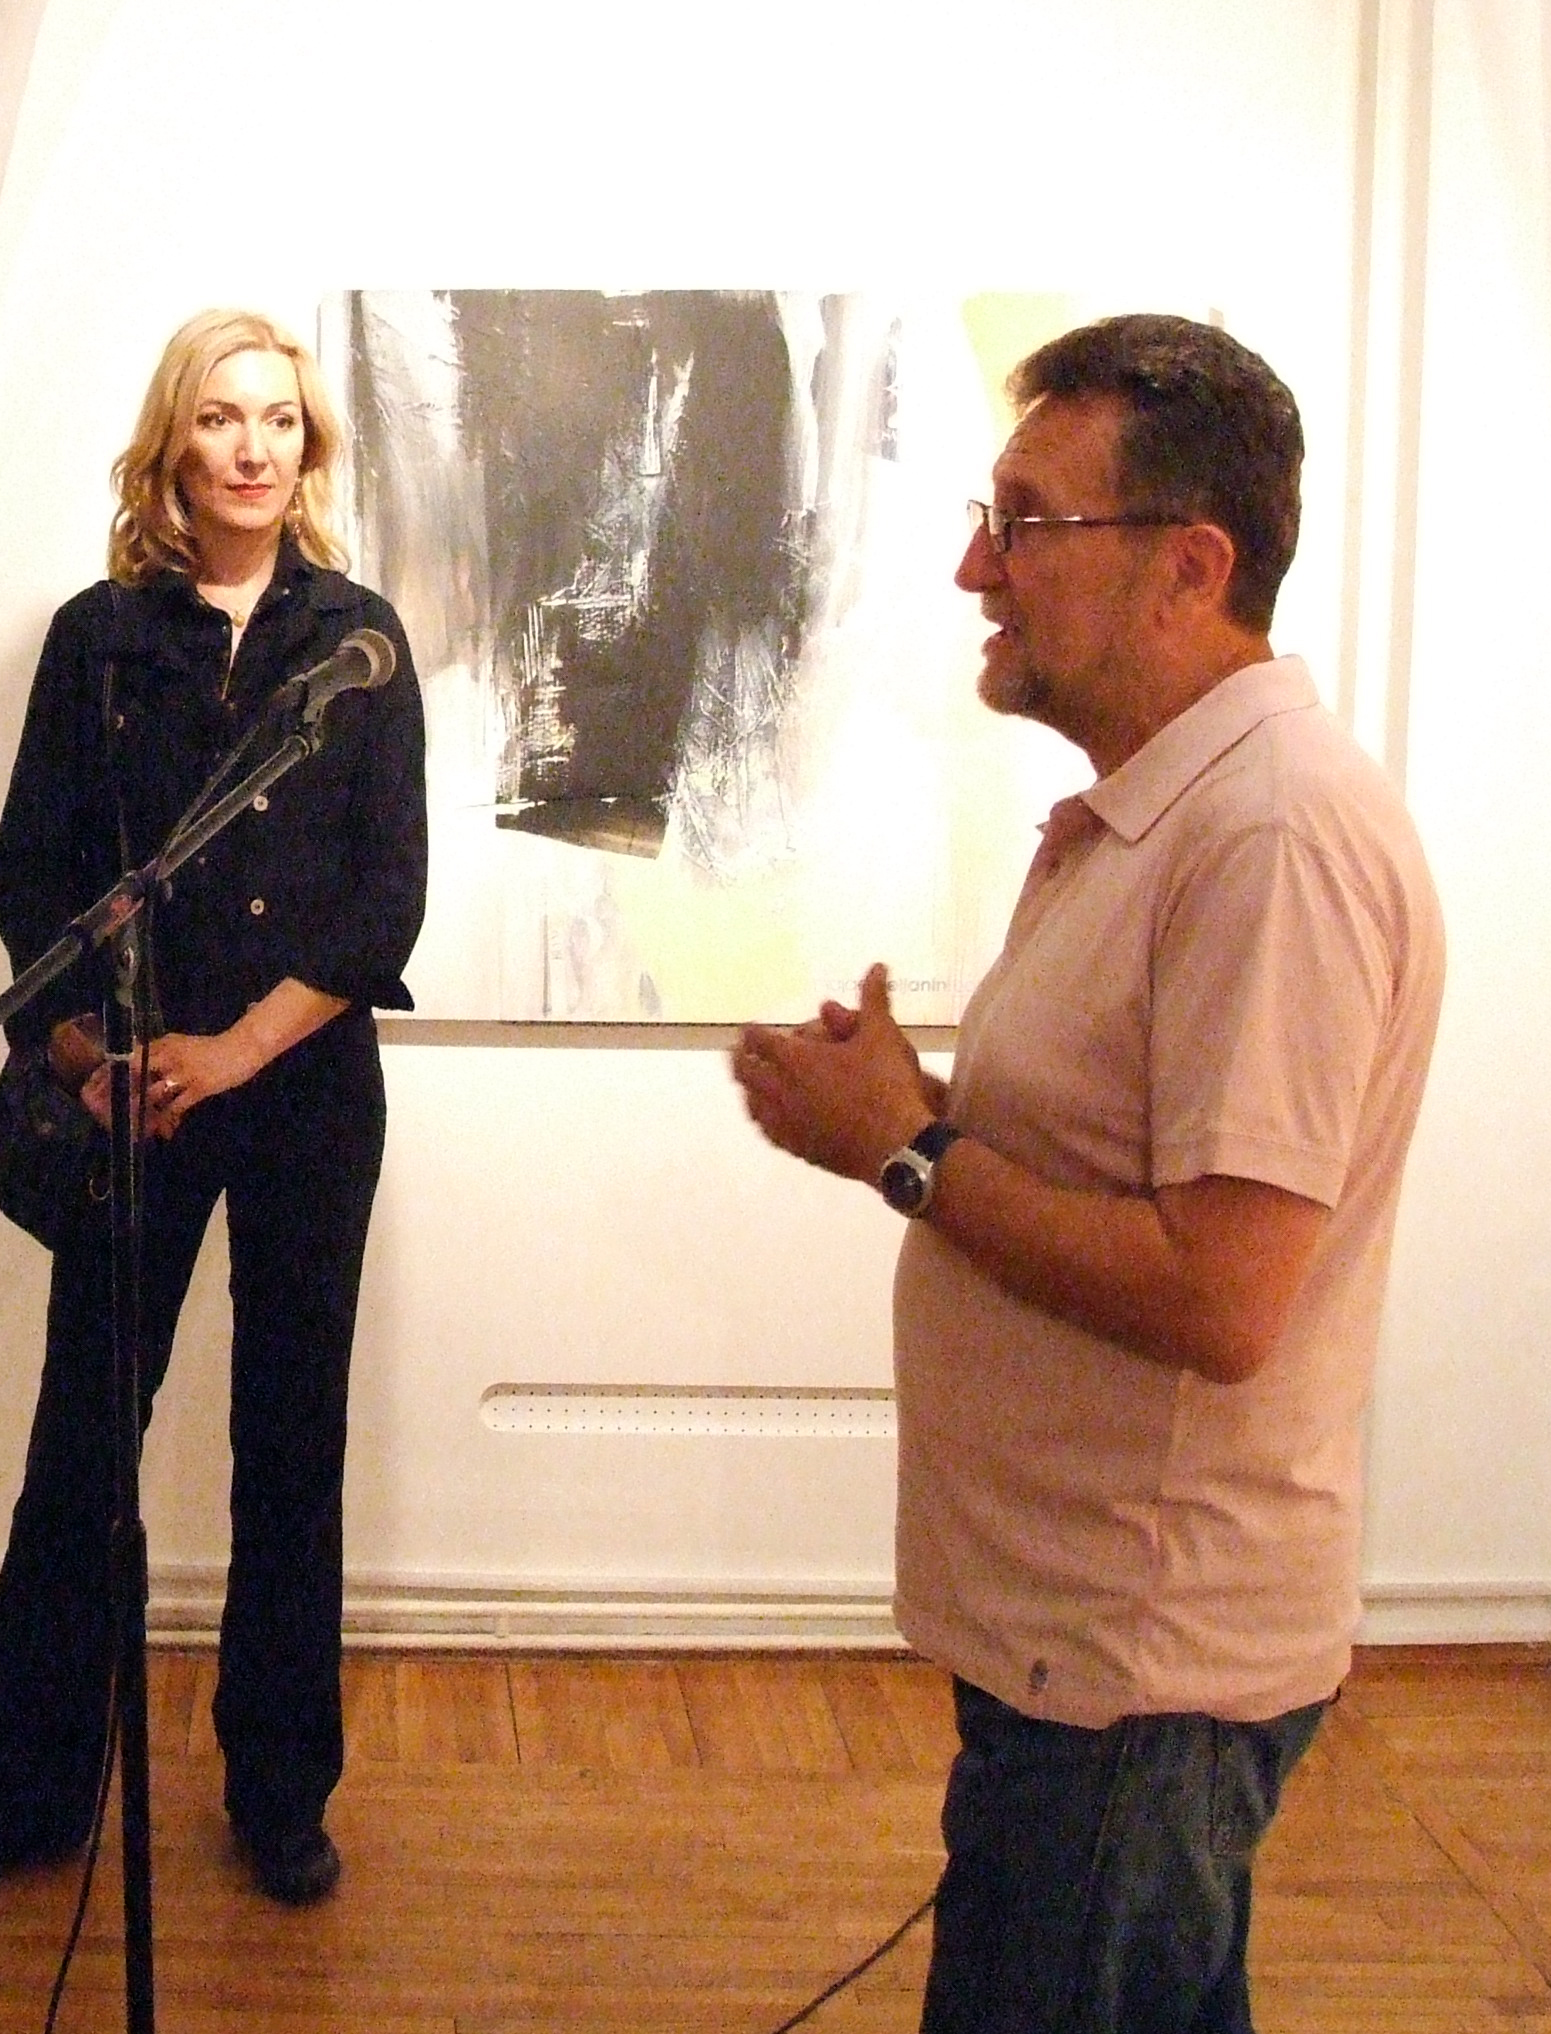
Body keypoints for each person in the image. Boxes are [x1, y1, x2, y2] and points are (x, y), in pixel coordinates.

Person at [730, 316, 1442, 2031]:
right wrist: (911, 1105)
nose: (975, 567)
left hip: (1137, 1666)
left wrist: (902, 1146)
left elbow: (1218, 1293)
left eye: (1024, 523)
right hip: (1089, 1651)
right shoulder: (1169, 813)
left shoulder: (1267, 835)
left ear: (1186, 565)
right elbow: (1120, 1156)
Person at [0, 310, 426, 1912]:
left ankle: (277, 1794)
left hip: (301, 1092)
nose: (251, 447)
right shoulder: (97, 638)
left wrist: (237, 1050)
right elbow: (27, 873)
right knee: (81, 1444)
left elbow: (383, 900)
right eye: (219, 417)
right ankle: (26, 1794)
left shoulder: (357, 639)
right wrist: (89, 1054)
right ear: (172, 446)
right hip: (132, 1098)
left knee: (290, 1446)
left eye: (277, 419)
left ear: (306, 448)